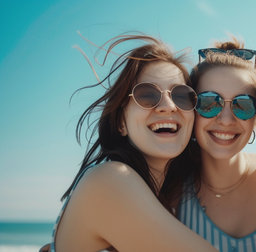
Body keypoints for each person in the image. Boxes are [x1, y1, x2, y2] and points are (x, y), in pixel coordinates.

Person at [45, 34, 217, 251]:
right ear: (121, 123)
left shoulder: (163, 199)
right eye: (146, 94)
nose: (168, 106)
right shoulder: (111, 180)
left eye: (182, 96)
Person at [177, 39, 256, 251]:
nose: (226, 120)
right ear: (191, 109)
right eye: (209, 102)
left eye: (243, 104)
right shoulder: (170, 194)